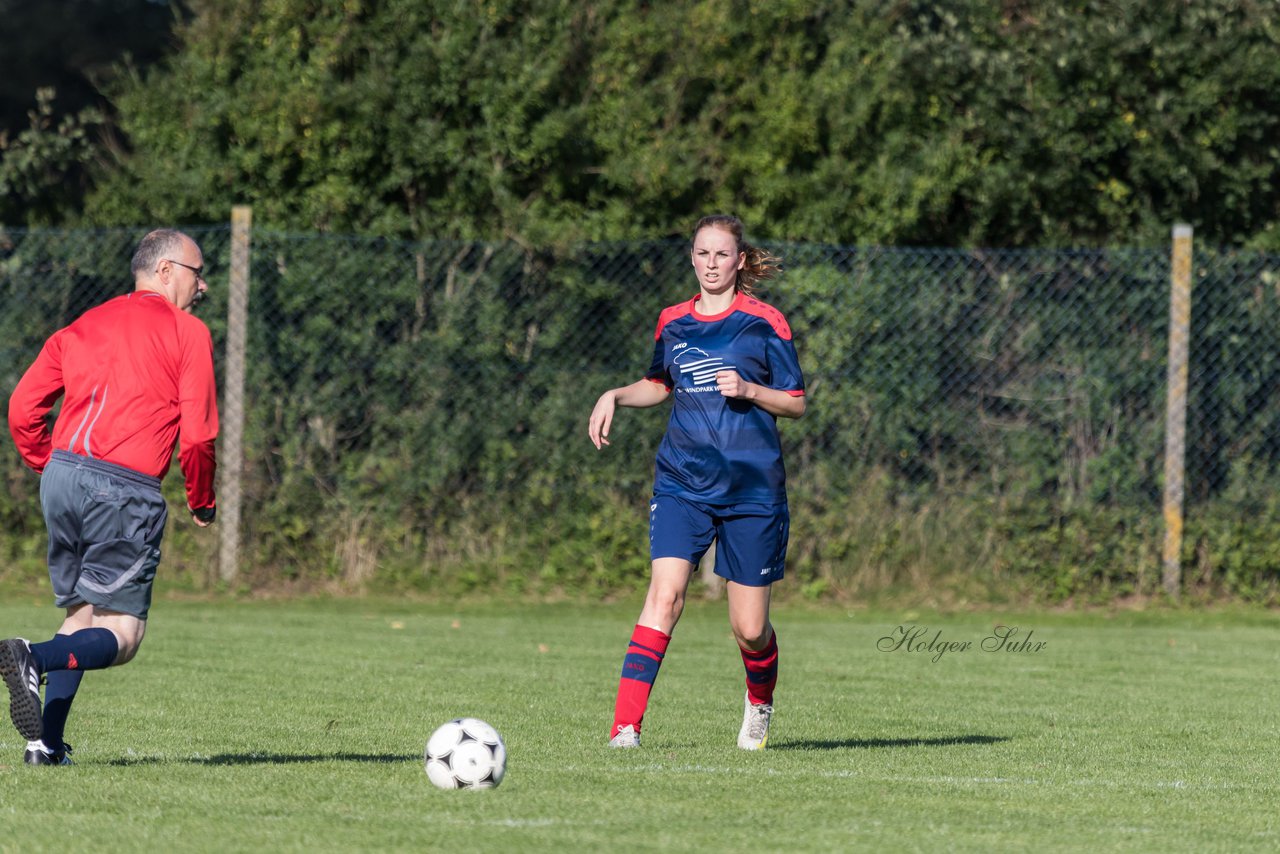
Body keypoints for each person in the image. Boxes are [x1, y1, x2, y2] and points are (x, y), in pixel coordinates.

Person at [588, 214, 806, 750]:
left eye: (721, 254)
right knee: (664, 596)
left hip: (752, 489)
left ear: (739, 260)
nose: (711, 264)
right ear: (692, 257)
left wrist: (751, 391)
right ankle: (625, 729)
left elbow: (796, 403)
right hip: (682, 482)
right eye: (702, 254)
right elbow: (659, 383)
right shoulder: (672, 321)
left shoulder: (765, 322)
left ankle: (759, 702)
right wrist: (616, 394)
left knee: (751, 630)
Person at [2, 228, 218, 765]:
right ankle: (32, 656)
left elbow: (22, 410)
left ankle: (45, 745)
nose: (204, 285)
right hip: (122, 489)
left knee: (81, 616)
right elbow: (198, 436)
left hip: (62, 481)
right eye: (198, 272)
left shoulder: (82, 324)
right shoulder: (187, 332)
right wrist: (201, 498)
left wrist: (46, 465)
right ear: (166, 271)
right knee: (122, 634)